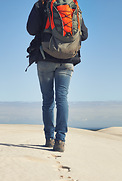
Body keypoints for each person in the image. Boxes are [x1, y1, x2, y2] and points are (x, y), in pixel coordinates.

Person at [26, 0, 88, 152]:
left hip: (45, 57)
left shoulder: (41, 4)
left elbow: (31, 30)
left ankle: (49, 138)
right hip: (67, 60)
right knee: (62, 99)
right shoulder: (73, 5)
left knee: (48, 100)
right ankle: (61, 140)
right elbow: (84, 35)